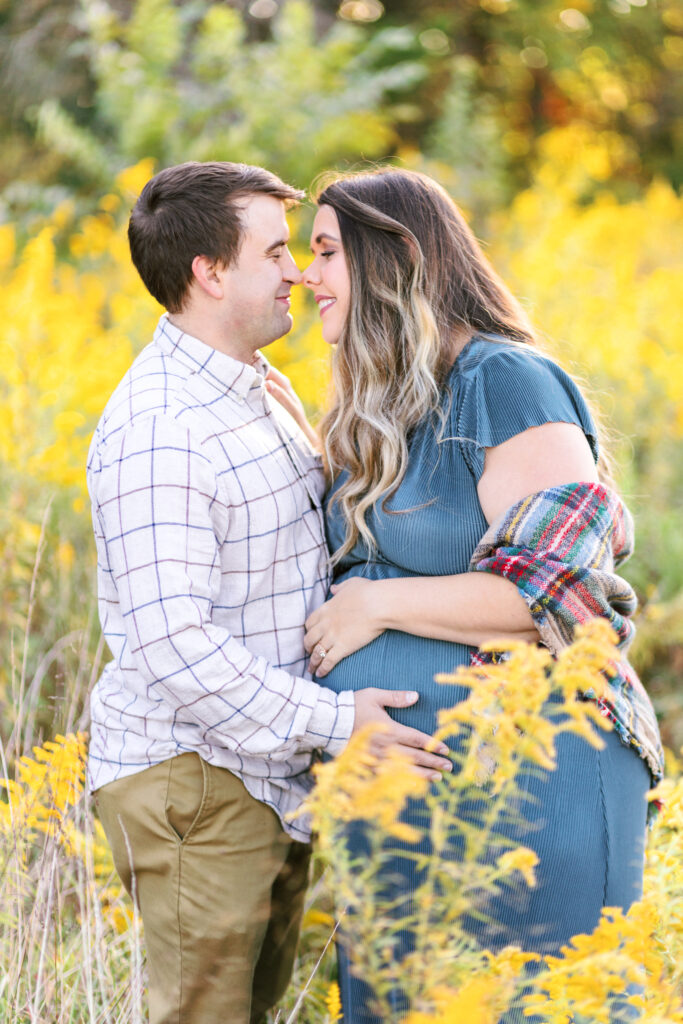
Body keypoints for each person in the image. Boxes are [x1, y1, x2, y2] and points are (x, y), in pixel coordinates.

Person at [271, 168, 663, 1022]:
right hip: (402, 796)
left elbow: (556, 594)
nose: (307, 275)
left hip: (535, 776)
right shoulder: (381, 406)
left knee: (543, 1003)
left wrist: (376, 608)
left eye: (327, 251)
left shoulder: (503, 380)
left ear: (398, 255)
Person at [86, 161, 453, 1024]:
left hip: (261, 775)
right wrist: (338, 723)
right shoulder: (161, 430)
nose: (297, 271)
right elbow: (175, 644)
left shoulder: (256, 391)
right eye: (276, 250)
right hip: (197, 783)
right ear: (210, 274)